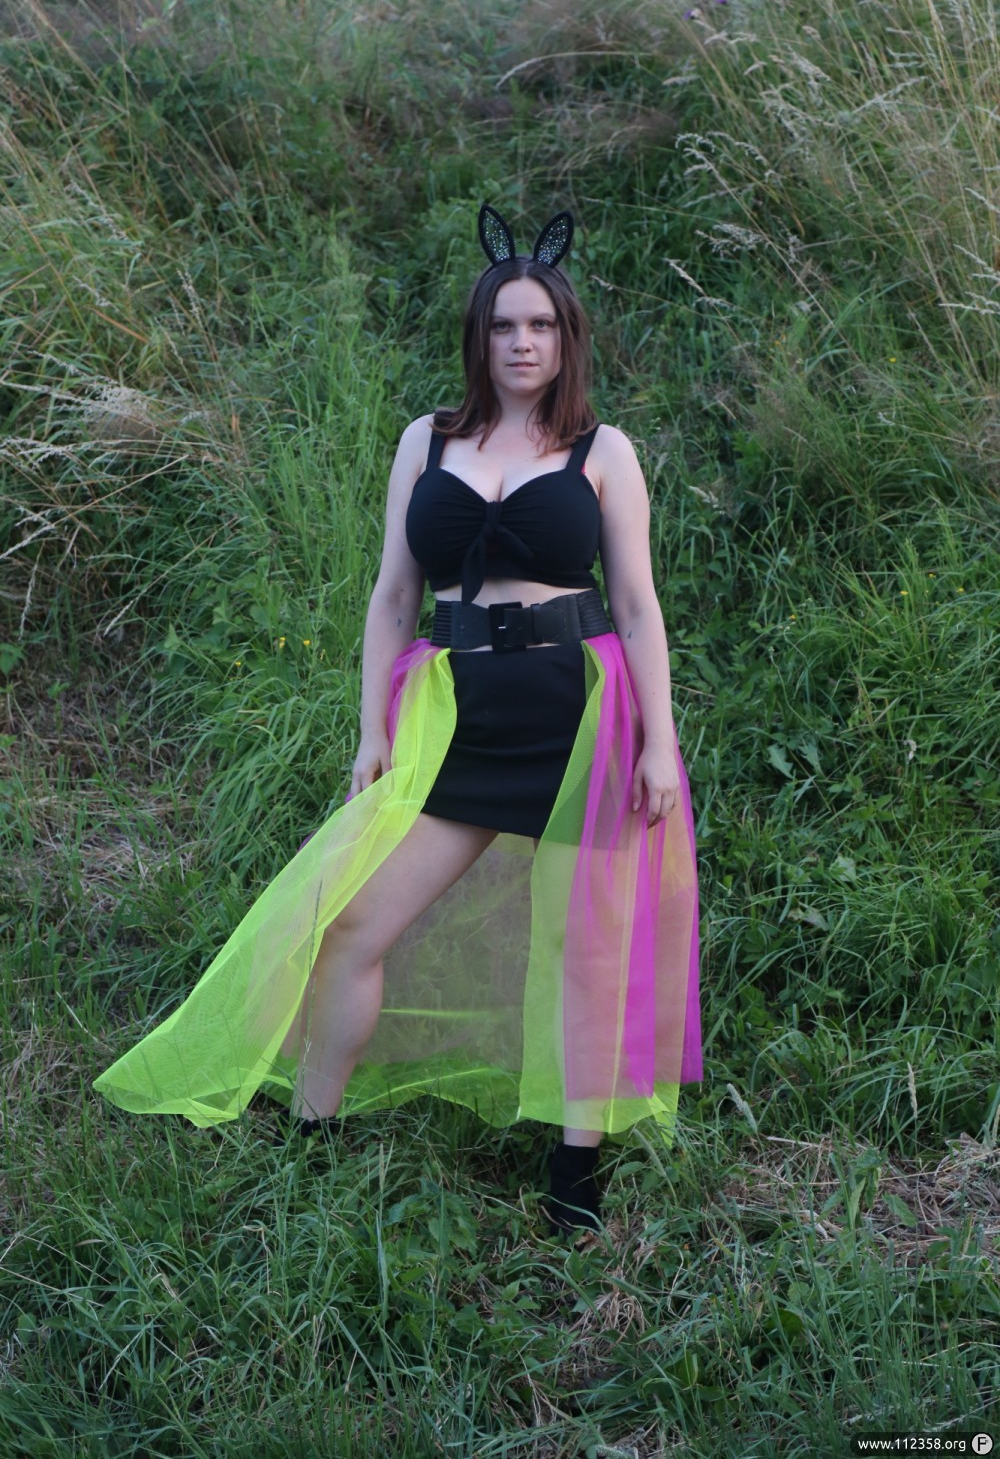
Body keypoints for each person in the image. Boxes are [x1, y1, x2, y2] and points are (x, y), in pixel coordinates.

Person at [94, 204, 701, 1234]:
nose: (521, 343)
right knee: (352, 923)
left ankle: (574, 1173)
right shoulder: (427, 440)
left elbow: (638, 607)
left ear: (566, 338)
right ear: (479, 336)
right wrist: (372, 730)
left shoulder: (604, 451)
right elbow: (391, 596)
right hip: (453, 715)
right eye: (504, 325)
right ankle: (312, 1133)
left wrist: (660, 740)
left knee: (588, 948)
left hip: (579, 715)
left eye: (541, 326)